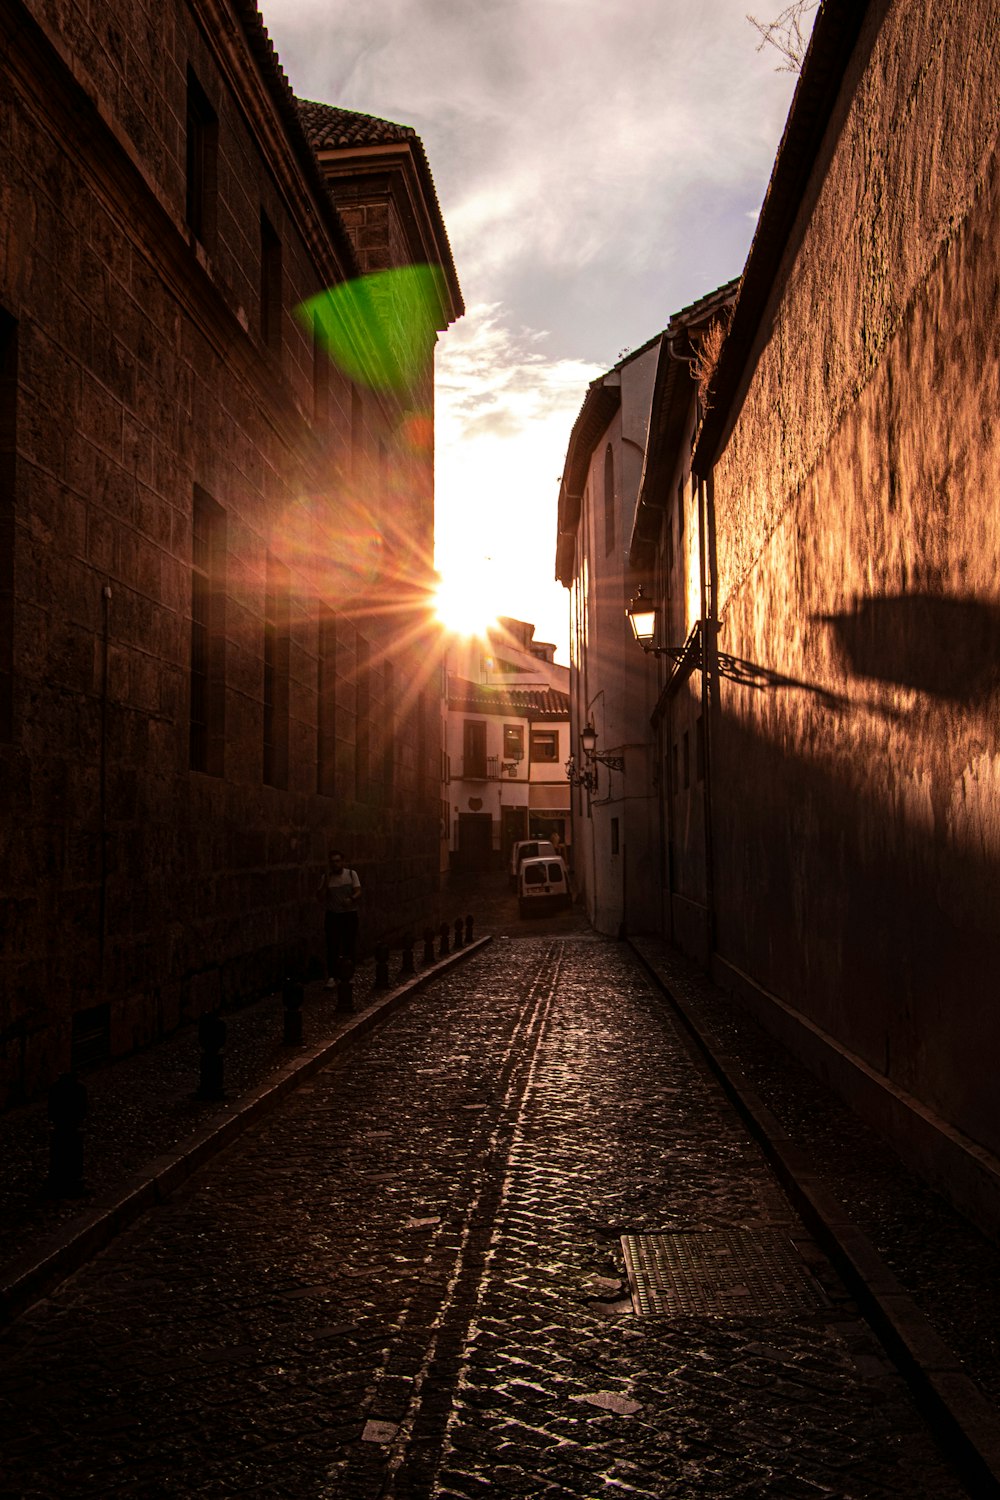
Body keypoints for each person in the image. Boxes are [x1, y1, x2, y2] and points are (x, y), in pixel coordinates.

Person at [317, 849, 361, 986]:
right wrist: (326, 883)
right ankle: (332, 976)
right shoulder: (326, 878)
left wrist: (351, 899)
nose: (335, 864)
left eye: (337, 861)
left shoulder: (351, 874)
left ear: (342, 862)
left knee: (349, 944)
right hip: (333, 916)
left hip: (349, 914)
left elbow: (358, 890)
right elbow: (320, 897)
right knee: (332, 946)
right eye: (332, 862)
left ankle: (349, 973)